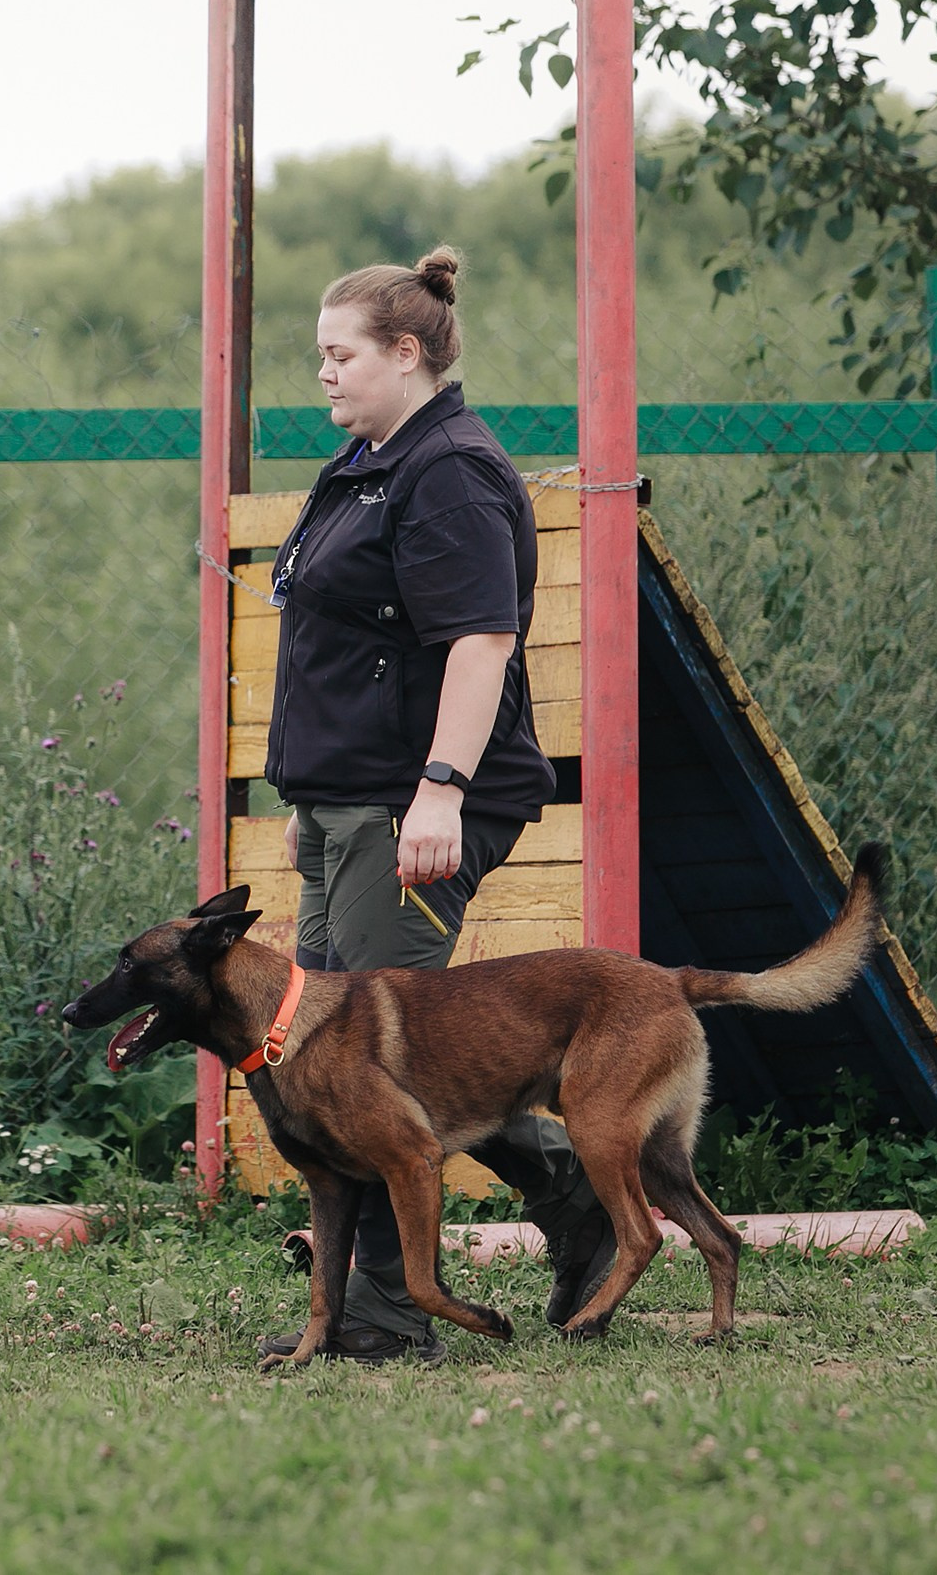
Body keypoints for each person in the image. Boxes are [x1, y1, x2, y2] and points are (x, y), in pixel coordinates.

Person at [252, 246, 614, 1366]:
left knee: (366, 1069)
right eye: (320, 355)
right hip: (339, 798)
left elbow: (481, 641)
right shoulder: (366, 460)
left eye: (340, 354)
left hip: (406, 802)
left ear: (406, 355)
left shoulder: (448, 470)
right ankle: (576, 1201)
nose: (323, 374)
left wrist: (440, 790)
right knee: (317, 1059)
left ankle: (382, 1316)